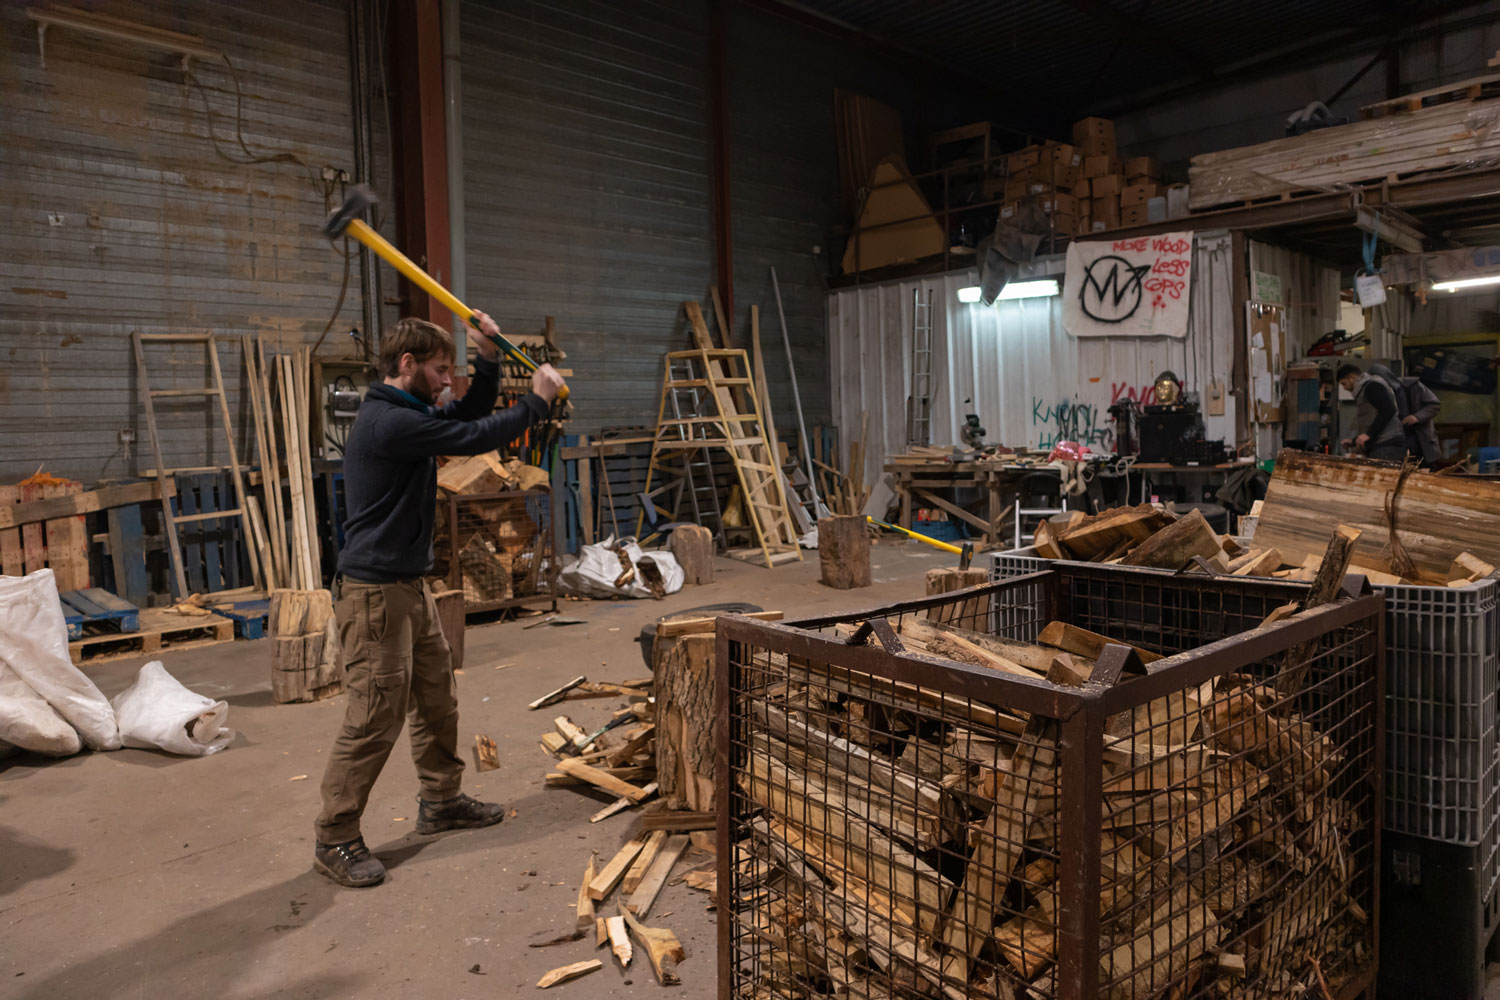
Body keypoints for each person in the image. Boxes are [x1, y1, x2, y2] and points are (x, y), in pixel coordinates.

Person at [313, 311, 566, 888]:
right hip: (375, 592)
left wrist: (489, 359)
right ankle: (335, 835)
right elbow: (476, 436)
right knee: (376, 714)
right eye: (440, 368)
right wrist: (535, 402)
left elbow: (466, 415)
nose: (448, 381)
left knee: (435, 697)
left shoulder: (406, 412)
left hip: (407, 584)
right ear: (408, 365)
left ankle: (442, 801)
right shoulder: (387, 423)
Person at [1337, 363, 1406, 462]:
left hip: (1387, 446)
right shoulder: (1365, 389)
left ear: (1351, 378)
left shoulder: (1371, 386)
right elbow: (1372, 420)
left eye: (1344, 384)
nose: (1344, 388)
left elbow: (1388, 409)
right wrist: (1354, 440)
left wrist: (1369, 434)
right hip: (1380, 445)